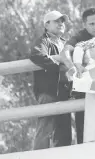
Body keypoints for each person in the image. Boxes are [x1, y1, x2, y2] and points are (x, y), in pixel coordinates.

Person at [60, 8, 95, 144]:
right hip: (84, 92)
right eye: (91, 24)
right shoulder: (80, 37)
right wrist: (72, 66)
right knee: (83, 132)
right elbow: (64, 52)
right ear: (84, 25)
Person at [30, 10, 72, 149]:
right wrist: (58, 66)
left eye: (62, 21)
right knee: (45, 128)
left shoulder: (66, 43)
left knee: (64, 131)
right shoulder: (43, 41)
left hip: (64, 92)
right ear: (46, 25)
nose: (61, 24)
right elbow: (36, 55)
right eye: (56, 21)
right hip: (48, 91)